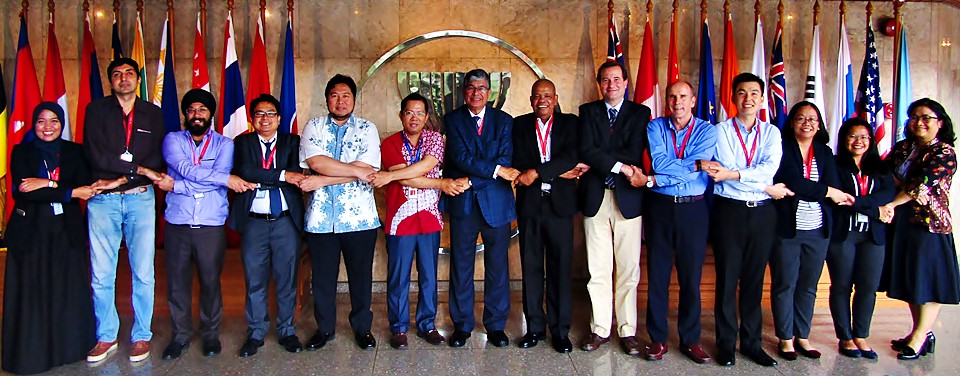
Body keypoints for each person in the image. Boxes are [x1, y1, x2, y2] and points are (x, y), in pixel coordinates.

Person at [701, 73, 790, 367]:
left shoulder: (772, 133)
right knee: (727, 279)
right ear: (733, 98)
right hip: (730, 211)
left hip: (763, 214)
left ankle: (751, 343)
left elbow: (766, 170)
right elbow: (722, 169)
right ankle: (726, 344)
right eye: (742, 93)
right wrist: (764, 185)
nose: (748, 98)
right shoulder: (720, 131)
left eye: (754, 93)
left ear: (762, 99)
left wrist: (737, 176)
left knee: (754, 281)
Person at [2, 103, 97, 374]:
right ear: (34, 124)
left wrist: (47, 184)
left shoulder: (75, 151)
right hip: (30, 232)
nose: (47, 127)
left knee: (65, 290)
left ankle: (67, 349)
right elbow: (23, 191)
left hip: (65, 232)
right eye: (42, 121)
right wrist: (67, 191)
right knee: (32, 292)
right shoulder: (22, 151)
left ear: (62, 123)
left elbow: (84, 186)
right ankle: (33, 353)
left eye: (54, 121)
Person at [156, 89, 252, 360]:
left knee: (210, 281)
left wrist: (175, 185)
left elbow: (216, 175)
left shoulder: (224, 144)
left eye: (202, 110)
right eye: (191, 110)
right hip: (178, 223)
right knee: (177, 284)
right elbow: (189, 169)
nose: (197, 114)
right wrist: (220, 181)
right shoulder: (172, 140)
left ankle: (210, 334)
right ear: (185, 114)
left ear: (211, 114)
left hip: (211, 225)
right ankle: (181, 336)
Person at [82, 57, 166, 363]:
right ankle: (106, 336)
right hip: (103, 200)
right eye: (117, 74)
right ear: (111, 81)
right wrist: (138, 168)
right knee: (102, 274)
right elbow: (95, 154)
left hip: (140, 199)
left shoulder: (153, 114)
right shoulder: (96, 110)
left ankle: (141, 334)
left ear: (138, 80)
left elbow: (158, 156)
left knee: (144, 271)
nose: (124, 78)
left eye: (129, 73)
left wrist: (129, 173)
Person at [369, 93, 467, 349]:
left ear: (427, 117)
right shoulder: (389, 143)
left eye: (420, 113)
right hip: (400, 219)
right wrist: (441, 184)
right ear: (401, 115)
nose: (415, 118)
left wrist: (390, 176)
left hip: (429, 218)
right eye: (409, 112)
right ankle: (399, 327)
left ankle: (427, 324)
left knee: (428, 275)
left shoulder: (435, 139)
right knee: (398, 275)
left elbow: (424, 167)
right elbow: (404, 178)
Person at [299, 74, 381, 351]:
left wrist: (322, 179)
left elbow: (366, 168)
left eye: (346, 95)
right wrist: (355, 171)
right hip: (321, 219)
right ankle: (324, 330)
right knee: (322, 278)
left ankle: (362, 329)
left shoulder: (367, 128)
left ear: (354, 99)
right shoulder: (314, 127)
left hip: (359, 219)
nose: (341, 100)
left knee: (360, 277)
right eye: (335, 95)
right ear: (327, 99)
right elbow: (316, 162)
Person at [577, 61, 651, 355]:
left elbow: (635, 150)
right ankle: (600, 329)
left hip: (628, 200)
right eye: (606, 80)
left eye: (616, 79)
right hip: (596, 198)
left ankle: (628, 330)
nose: (611, 85)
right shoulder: (588, 112)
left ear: (625, 82)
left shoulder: (640, 113)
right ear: (599, 83)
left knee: (628, 269)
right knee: (598, 269)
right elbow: (585, 149)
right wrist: (621, 165)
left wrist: (602, 158)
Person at [442, 68, 518, 348]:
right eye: (472, 88)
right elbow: (460, 157)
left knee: (498, 266)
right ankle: (462, 325)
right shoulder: (453, 120)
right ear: (465, 92)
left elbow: (506, 156)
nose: (477, 93)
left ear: (490, 92)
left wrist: (474, 178)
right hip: (464, 203)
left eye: (482, 88)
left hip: (496, 204)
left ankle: (496, 326)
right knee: (461, 266)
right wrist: (496, 170)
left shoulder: (504, 121)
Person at [770, 101, 851, 361]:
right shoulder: (782, 148)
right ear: (792, 122)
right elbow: (792, 182)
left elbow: (834, 185)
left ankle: (802, 336)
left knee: (808, 286)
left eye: (813, 119)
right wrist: (826, 192)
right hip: (787, 230)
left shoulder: (825, 152)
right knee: (785, 284)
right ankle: (785, 339)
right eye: (801, 118)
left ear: (819, 125)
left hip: (818, 230)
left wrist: (826, 190)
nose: (807, 123)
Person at [642, 81, 716, 363]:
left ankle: (691, 340)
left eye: (683, 96)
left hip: (693, 211)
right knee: (657, 277)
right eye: (672, 97)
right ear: (666, 100)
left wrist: (667, 173)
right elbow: (660, 163)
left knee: (690, 278)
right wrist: (692, 165)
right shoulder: (655, 127)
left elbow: (698, 161)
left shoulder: (707, 130)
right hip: (660, 208)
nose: (677, 102)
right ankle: (658, 339)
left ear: (693, 100)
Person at [228, 94, 306, 357]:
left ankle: (287, 330)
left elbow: (298, 171)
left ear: (279, 118)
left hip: (285, 221)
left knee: (287, 278)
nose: (265, 118)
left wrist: (268, 178)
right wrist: (282, 175)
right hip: (254, 223)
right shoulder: (242, 142)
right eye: (259, 114)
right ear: (252, 119)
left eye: (271, 113)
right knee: (255, 279)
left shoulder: (292, 142)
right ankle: (256, 332)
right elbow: (246, 171)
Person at [882, 98, 960, 360]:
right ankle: (921, 331)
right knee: (912, 279)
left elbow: (921, 185)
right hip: (902, 221)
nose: (919, 122)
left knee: (929, 281)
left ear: (940, 122)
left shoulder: (944, 152)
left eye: (926, 117)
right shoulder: (904, 148)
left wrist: (898, 198)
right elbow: (885, 173)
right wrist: (905, 189)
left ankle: (920, 336)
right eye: (914, 117)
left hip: (929, 225)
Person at [511, 79, 584, 353]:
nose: (542, 100)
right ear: (531, 100)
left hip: (561, 207)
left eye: (547, 95)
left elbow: (572, 156)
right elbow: (517, 160)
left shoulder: (571, 124)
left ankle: (560, 330)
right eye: (537, 95)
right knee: (531, 269)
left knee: (560, 269)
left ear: (555, 98)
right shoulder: (519, 125)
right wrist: (554, 169)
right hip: (530, 206)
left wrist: (539, 171)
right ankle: (534, 329)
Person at [827, 118, 894, 359]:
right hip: (843, 235)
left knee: (868, 287)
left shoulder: (881, 167)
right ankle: (845, 337)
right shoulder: (834, 166)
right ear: (844, 139)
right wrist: (875, 209)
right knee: (842, 286)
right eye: (853, 136)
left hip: (872, 236)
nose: (859, 141)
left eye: (864, 137)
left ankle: (861, 336)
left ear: (871, 141)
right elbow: (837, 200)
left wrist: (859, 203)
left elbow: (887, 194)